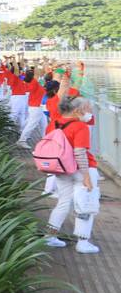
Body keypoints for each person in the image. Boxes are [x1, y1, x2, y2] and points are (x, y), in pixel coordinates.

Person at [46, 96, 100, 254]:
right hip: (81, 170)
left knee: (63, 203)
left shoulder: (53, 124)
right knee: (86, 205)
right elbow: (80, 153)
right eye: (88, 109)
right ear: (77, 111)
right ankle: (83, 242)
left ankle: (49, 237)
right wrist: (86, 176)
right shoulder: (80, 127)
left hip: (61, 170)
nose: (90, 112)